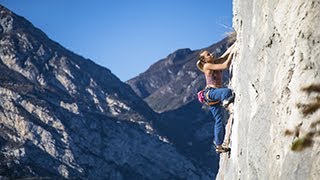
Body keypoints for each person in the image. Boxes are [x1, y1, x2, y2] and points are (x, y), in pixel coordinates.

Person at [196, 43, 236, 153]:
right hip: (211, 92)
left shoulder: (213, 62)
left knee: (219, 121)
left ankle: (218, 146)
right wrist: (233, 53)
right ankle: (227, 103)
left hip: (213, 96)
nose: (211, 54)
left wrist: (235, 45)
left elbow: (224, 56)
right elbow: (225, 65)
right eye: (208, 54)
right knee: (227, 91)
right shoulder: (207, 66)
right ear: (204, 60)